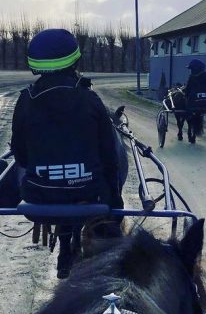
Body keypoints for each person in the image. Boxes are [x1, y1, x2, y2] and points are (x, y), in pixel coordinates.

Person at [8, 28, 125, 276]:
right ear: (75, 60)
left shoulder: (25, 101)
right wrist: (115, 199)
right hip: (91, 196)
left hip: (38, 197)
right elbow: (109, 156)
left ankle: (65, 249)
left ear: (34, 65)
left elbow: (20, 156)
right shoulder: (90, 100)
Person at [183, 58, 206, 143]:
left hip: (193, 104)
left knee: (186, 103)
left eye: (190, 69)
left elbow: (187, 91)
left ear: (194, 69)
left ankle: (189, 119)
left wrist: (185, 93)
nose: (190, 71)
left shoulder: (192, 78)